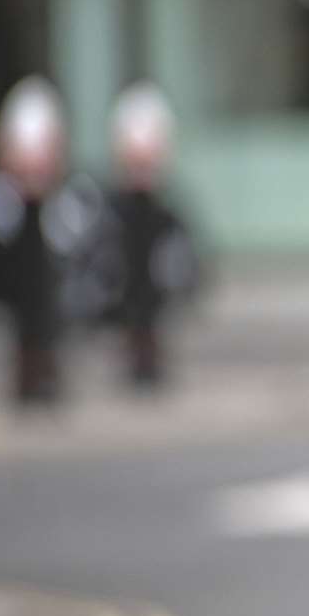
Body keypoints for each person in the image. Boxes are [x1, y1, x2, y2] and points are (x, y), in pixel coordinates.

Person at [106, 81, 192, 388]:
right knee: (135, 292)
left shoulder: (162, 211)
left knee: (149, 295)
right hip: (134, 232)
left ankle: (149, 355)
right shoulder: (119, 209)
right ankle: (137, 354)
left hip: (148, 231)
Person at [0, 75, 68, 406]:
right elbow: (4, 152)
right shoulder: (20, 109)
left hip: (40, 213)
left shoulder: (42, 107)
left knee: (44, 299)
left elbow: (57, 151)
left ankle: (45, 371)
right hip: (23, 213)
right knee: (24, 302)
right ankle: (27, 375)